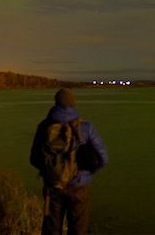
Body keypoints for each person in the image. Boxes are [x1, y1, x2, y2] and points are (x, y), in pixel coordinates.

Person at [30, 88, 108, 235]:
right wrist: (88, 173)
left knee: (51, 228)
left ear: (56, 103)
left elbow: (33, 159)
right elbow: (103, 159)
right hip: (79, 185)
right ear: (73, 104)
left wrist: (51, 171)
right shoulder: (86, 127)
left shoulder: (44, 127)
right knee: (79, 228)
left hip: (53, 185)